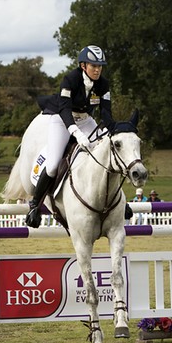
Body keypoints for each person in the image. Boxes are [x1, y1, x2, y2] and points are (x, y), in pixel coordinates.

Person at [26, 45, 117, 228]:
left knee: (111, 155)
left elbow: (106, 113)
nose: (98, 69)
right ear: (83, 66)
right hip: (62, 120)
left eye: (100, 66)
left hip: (86, 121)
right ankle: (35, 205)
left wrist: (111, 131)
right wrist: (75, 132)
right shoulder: (70, 79)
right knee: (52, 166)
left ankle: (120, 202)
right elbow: (65, 110)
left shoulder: (103, 84)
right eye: (94, 66)